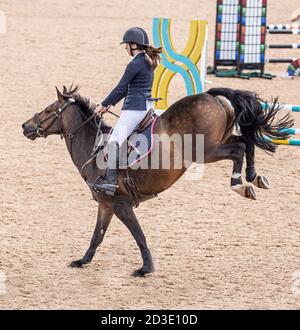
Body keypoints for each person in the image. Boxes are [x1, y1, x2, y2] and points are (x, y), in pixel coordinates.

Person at [93, 27, 162, 196]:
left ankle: (110, 182)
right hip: (147, 105)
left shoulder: (135, 63)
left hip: (135, 108)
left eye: (126, 45)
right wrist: (110, 105)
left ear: (134, 45)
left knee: (114, 140)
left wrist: (103, 103)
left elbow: (121, 87)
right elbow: (129, 88)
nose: (125, 48)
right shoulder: (147, 60)